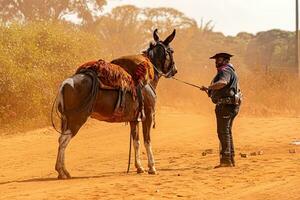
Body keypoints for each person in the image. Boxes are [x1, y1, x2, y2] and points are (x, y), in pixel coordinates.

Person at [200, 52, 242, 168]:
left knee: (223, 132)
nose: (216, 62)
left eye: (218, 59)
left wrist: (209, 87)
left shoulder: (225, 70)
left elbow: (223, 83)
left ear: (225, 61)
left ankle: (226, 160)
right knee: (226, 132)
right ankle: (230, 159)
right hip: (230, 105)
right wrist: (209, 90)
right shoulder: (230, 70)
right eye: (216, 60)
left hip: (226, 106)